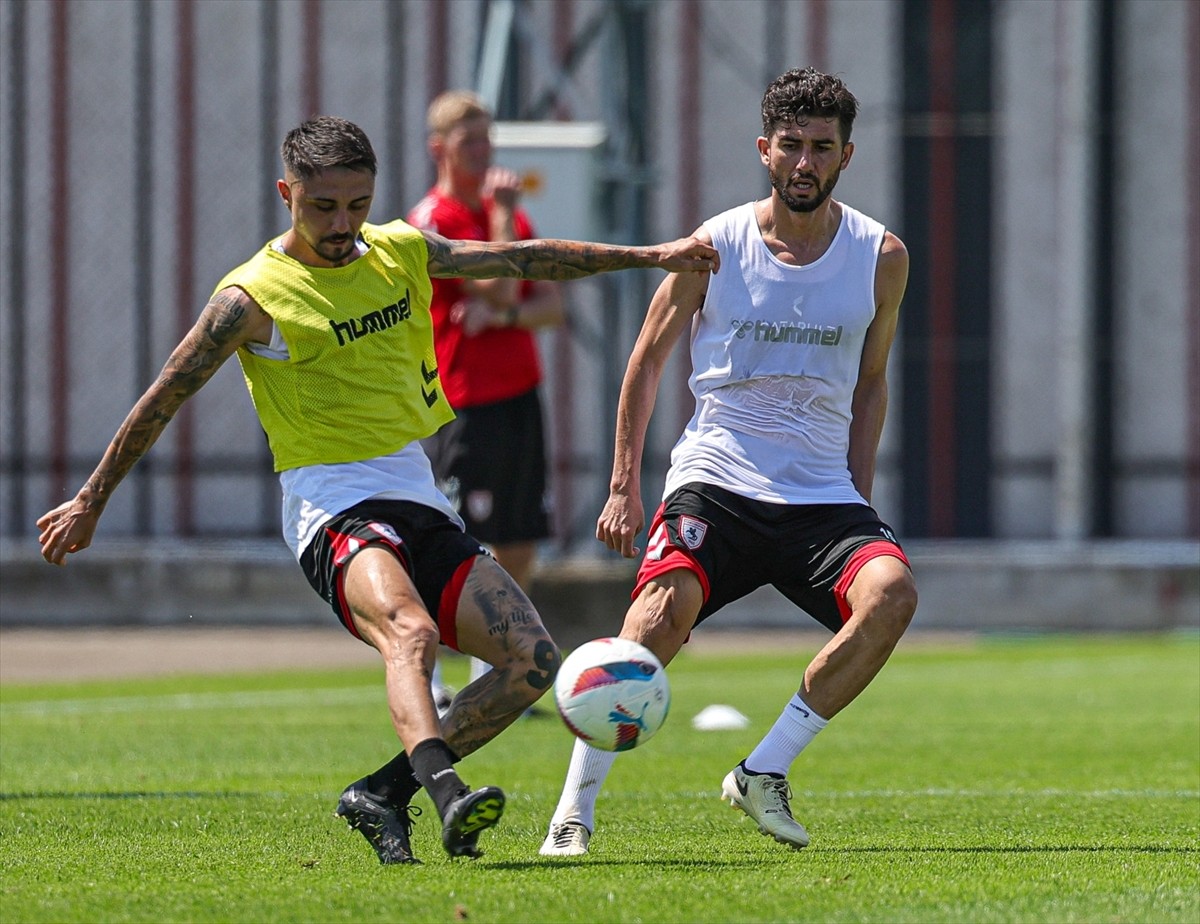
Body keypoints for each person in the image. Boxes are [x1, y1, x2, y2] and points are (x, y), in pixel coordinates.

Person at [35, 116, 718, 865]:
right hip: (332, 508)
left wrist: (651, 255)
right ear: (285, 193)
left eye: (356, 203)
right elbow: (164, 395)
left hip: (417, 497)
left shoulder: (398, 250)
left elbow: (523, 255)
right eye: (322, 205)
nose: (341, 223)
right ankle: (446, 793)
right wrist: (90, 500)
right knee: (412, 633)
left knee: (534, 662)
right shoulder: (252, 297)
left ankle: (381, 793)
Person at [539, 67, 918, 858]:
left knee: (893, 595)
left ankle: (762, 772)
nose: (804, 163)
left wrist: (862, 497)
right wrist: (621, 486)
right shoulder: (713, 248)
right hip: (718, 478)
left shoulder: (881, 256)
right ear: (764, 150)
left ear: (847, 155)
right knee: (654, 619)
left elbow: (873, 381)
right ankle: (572, 812)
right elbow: (644, 363)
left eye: (822, 147)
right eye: (790, 146)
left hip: (820, 494)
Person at [408, 91, 564, 703]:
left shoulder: (512, 221)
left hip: (519, 393)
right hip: (465, 401)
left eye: (487, 139)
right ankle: (432, 673)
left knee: (520, 539)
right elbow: (503, 288)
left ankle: (488, 672)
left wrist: (500, 317)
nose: (484, 151)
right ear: (438, 149)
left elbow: (549, 306)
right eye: (470, 141)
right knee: (455, 540)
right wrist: (503, 222)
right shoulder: (436, 221)